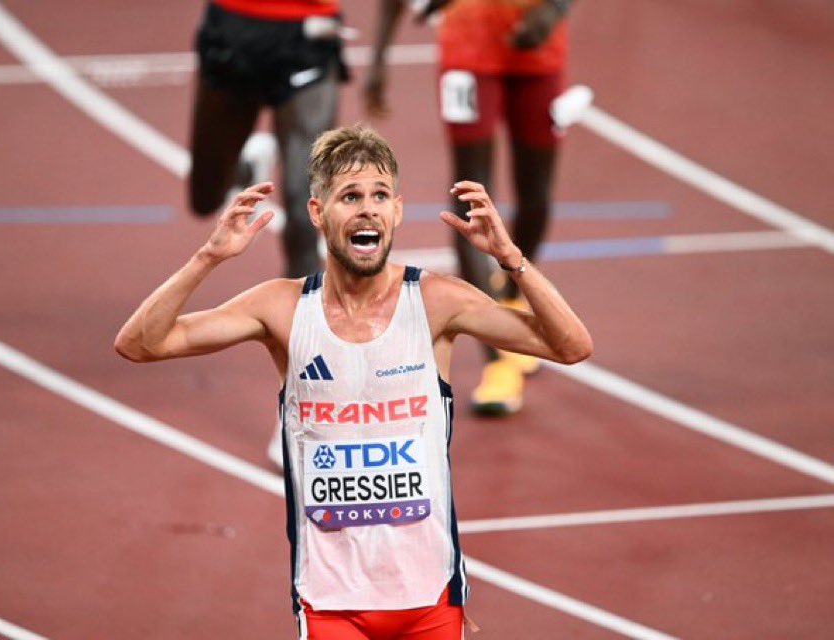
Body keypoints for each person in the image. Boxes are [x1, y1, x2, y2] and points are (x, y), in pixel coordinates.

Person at [115, 126, 592, 638]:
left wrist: (512, 260)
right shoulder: (281, 309)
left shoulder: (435, 302)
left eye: (380, 196)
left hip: (428, 597)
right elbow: (141, 343)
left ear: (397, 212)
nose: (367, 210)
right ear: (319, 213)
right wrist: (207, 258)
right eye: (350, 197)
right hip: (330, 600)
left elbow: (571, 346)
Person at [366, 0, 576, 416]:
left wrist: (553, 10)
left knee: (535, 193)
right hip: (467, 52)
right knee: (469, 200)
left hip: (536, 49)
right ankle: (497, 359)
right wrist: (379, 58)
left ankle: (512, 295)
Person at [188, 0, 350, 279]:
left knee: (304, 209)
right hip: (233, 25)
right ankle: (245, 169)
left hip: (309, 31)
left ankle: (303, 317)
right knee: (204, 196)